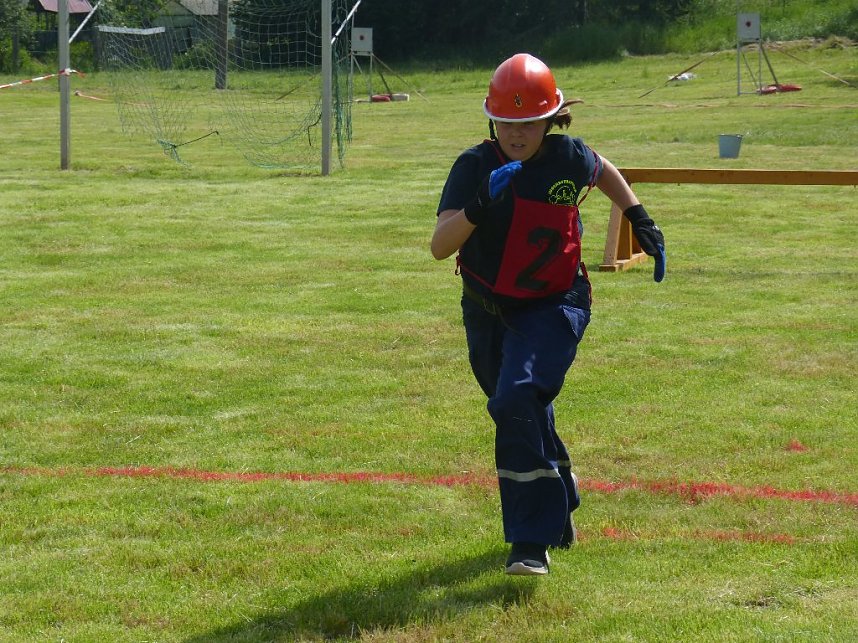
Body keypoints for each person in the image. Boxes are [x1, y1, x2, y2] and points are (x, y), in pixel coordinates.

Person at [431, 53, 666, 576]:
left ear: (551, 119)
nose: (519, 134)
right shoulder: (474, 166)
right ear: (493, 120)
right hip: (487, 310)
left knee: (516, 398)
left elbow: (601, 169)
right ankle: (560, 496)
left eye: (531, 122)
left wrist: (638, 216)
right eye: (509, 123)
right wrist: (477, 208)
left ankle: (529, 542)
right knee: (522, 405)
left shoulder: (567, 158)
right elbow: (439, 247)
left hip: (555, 305)